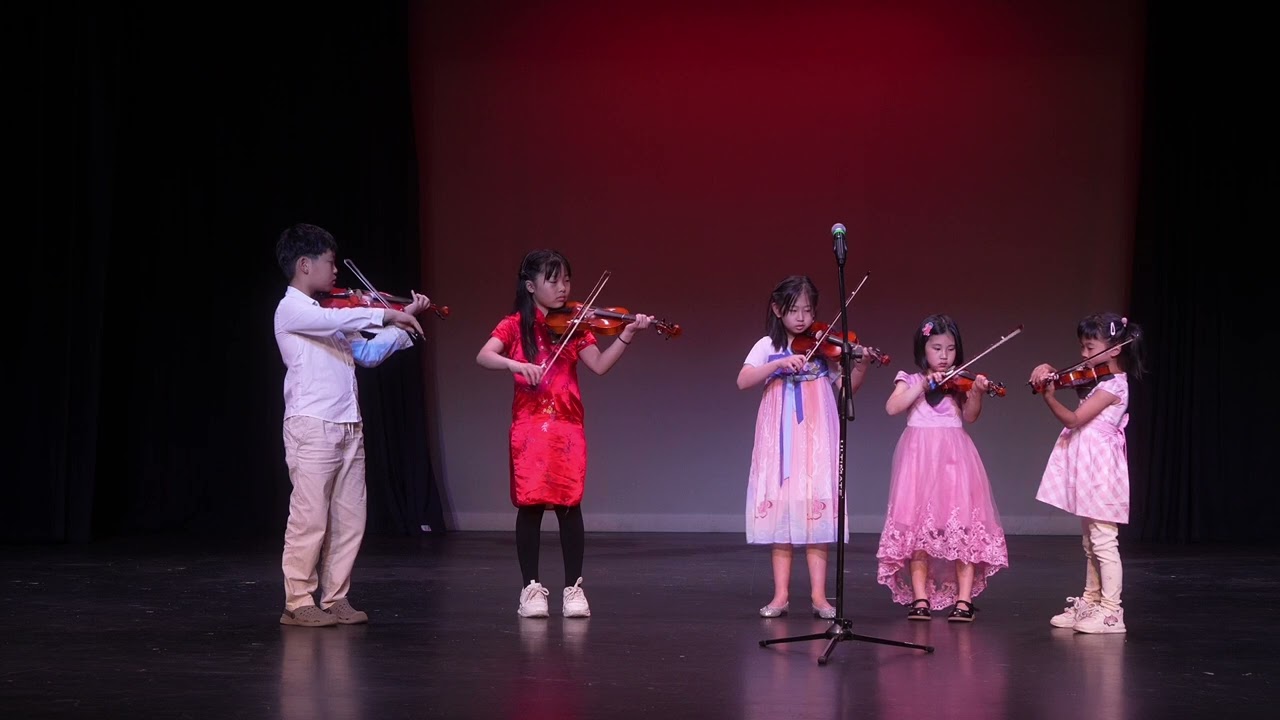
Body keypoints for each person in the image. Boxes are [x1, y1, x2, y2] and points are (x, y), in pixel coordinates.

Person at [476, 250, 653, 618]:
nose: (563, 288)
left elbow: (600, 366)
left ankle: (574, 589)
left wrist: (627, 335)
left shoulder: (577, 326)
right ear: (530, 286)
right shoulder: (513, 326)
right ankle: (531, 590)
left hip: (568, 427)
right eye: (552, 280)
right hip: (529, 427)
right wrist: (518, 364)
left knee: (570, 506)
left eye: (566, 280)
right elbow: (484, 356)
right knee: (531, 507)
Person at [273, 222, 429, 627]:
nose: (335, 271)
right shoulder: (292, 309)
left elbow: (368, 354)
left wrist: (401, 325)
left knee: (350, 517)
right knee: (310, 517)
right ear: (304, 265)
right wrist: (386, 311)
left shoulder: (330, 314)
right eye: (329, 262)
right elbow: (343, 323)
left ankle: (336, 597)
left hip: (347, 424)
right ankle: (298, 600)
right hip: (312, 424)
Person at [739, 275, 870, 619]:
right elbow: (744, 380)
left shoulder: (823, 346)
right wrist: (778, 364)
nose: (801, 318)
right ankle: (780, 595)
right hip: (780, 431)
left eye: (808, 310)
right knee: (782, 506)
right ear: (777, 309)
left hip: (816, 431)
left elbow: (846, 389)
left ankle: (819, 596)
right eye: (794, 310)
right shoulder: (768, 344)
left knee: (816, 507)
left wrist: (861, 364)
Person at [875, 314, 1009, 622]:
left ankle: (963, 600)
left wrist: (975, 392)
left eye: (950, 349)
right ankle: (920, 598)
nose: (944, 356)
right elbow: (893, 407)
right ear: (924, 350)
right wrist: (922, 384)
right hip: (918, 459)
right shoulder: (909, 379)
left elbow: (971, 416)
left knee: (961, 525)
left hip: (954, 459)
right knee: (917, 528)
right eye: (937, 348)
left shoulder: (958, 383)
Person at [1030, 312, 1146, 634]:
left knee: (1104, 540)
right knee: (1090, 540)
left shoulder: (1115, 386)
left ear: (1114, 349)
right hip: (1089, 465)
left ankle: (1111, 612)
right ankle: (1091, 601)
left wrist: (1049, 396)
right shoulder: (1099, 380)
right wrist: (1051, 373)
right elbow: (1078, 382)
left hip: (1102, 469)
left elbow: (1074, 419)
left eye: (1089, 346)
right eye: (1082, 346)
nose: (1083, 354)